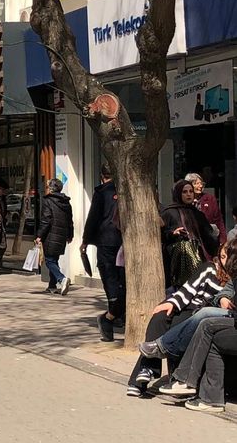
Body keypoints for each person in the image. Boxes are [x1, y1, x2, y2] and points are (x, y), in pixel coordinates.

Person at [125, 240, 235, 397]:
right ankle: (148, 368)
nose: (223, 260)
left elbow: (223, 296)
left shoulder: (233, 277)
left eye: (227, 257)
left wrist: (223, 299)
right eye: (222, 256)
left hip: (204, 315)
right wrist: (171, 302)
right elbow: (188, 289)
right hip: (190, 307)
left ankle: (152, 371)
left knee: (183, 323)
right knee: (161, 316)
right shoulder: (210, 269)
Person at [81, 164, 125, 342]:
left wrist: (85, 240)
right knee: (121, 278)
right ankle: (117, 312)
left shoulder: (101, 192)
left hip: (106, 241)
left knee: (109, 277)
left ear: (102, 176)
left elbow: (93, 217)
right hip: (122, 240)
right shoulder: (124, 190)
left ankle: (114, 312)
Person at [160, 180, 219, 289]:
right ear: (178, 194)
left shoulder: (197, 214)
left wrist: (215, 253)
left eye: (191, 191)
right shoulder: (169, 213)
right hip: (175, 260)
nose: (188, 194)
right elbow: (160, 235)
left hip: (197, 256)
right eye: (184, 192)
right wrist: (173, 233)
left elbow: (209, 235)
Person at [36, 179, 74, 296]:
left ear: (51, 189)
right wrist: (70, 235)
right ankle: (52, 286)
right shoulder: (66, 202)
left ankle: (61, 279)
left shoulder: (48, 201)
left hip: (51, 235)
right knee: (54, 259)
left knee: (49, 261)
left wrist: (39, 235)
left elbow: (46, 220)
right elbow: (70, 220)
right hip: (61, 236)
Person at [185, 173, 226, 244]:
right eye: (196, 184)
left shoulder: (210, 199)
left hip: (209, 239)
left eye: (202, 184)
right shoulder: (185, 200)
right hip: (191, 240)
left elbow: (219, 220)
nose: (200, 186)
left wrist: (223, 240)